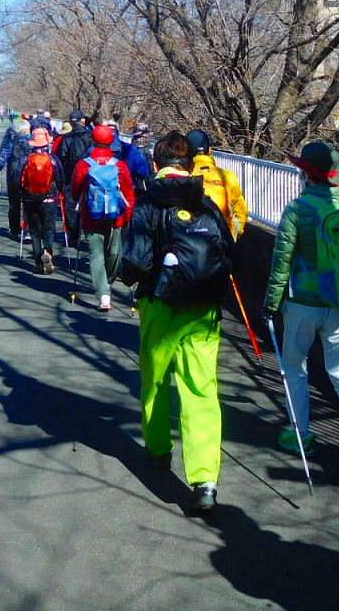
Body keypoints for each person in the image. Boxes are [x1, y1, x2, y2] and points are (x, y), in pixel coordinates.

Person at [261, 141, 339, 475]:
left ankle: (300, 434)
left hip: (303, 303)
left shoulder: (297, 209)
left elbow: (282, 261)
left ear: (307, 174)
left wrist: (271, 302)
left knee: (294, 367)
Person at [130, 131, 235, 513]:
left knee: (155, 379)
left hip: (160, 304)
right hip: (203, 310)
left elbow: (135, 261)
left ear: (156, 164)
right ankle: (205, 479)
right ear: (189, 164)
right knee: (201, 389)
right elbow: (230, 254)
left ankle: (159, 450)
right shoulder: (205, 201)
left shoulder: (148, 202)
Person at [69, 124, 135, 311]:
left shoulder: (83, 165)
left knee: (95, 255)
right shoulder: (120, 166)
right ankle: (109, 279)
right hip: (117, 218)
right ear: (110, 141)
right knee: (114, 252)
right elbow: (129, 193)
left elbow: (75, 192)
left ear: (93, 140)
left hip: (91, 217)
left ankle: (103, 295)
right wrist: (128, 215)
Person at [185, 129, 248, 239]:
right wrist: (232, 236)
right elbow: (240, 213)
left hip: (190, 242)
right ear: (209, 150)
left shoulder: (184, 177)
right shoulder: (227, 177)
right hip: (221, 240)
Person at [18, 125, 65, 274]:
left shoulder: (26, 159)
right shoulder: (52, 160)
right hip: (49, 199)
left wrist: (22, 193)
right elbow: (61, 180)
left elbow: (16, 178)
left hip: (30, 199)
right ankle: (48, 252)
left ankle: (38, 262)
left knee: (34, 231)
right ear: (47, 143)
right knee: (49, 229)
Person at [56, 109, 94, 246]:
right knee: (89, 202)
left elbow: (60, 159)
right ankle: (90, 233)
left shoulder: (66, 138)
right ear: (82, 120)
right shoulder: (90, 137)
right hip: (89, 176)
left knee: (71, 205)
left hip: (70, 176)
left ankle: (73, 235)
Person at [0, 117, 32, 240]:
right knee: (28, 204)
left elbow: (1, 160)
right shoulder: (31, 143)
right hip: (28, 179)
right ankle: (27, 232)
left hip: (13, 178)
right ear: (25, 131)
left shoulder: (10, 143)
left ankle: (15, 230)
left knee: (14, 205)